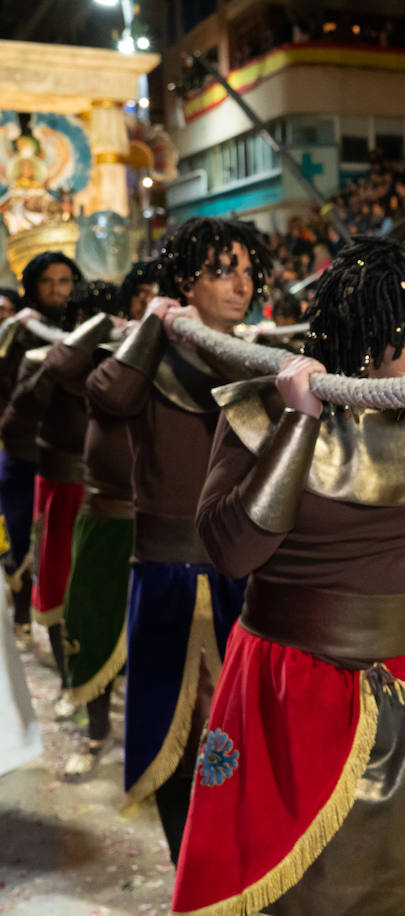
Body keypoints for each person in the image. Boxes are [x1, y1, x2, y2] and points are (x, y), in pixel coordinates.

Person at [172, 238, 405, 916]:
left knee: (391, 886)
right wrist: (297, 423)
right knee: (289, 889)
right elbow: (231, 550)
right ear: (372, 339)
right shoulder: (259, 410)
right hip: (289, 686)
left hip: (404, 683)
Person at [86, 217, 270, 861]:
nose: (240, 283)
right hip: (166, 568)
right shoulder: (151, 351)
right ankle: (189, 867)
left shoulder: (256, 353)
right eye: (223, 270)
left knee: (241, 731)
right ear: (186, 281)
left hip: (243, 573)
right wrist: (151, 326)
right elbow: (105, 394)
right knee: (181, 730)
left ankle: (232, 867)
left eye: (247, 270)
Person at [55, 262, 154, 778]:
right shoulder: (102, 354)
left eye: (161, 293)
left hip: (164, 525)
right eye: (141, 295)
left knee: (162, 644)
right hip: (105, 513)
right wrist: (105, 323)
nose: (151, 303)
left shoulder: (187, 352)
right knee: (92, 626)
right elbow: (59, 364)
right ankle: (96, 733)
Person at [0, 251, 81, 654]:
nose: (56, 290)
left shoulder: (82, 329)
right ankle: (19, 613)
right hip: (22, 451)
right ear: (33, 285)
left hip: (64, 460)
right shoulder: (19, 331)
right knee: (18, 534)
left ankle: (56, 623)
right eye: (48, 281)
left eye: (64, 281)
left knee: (56, 548)